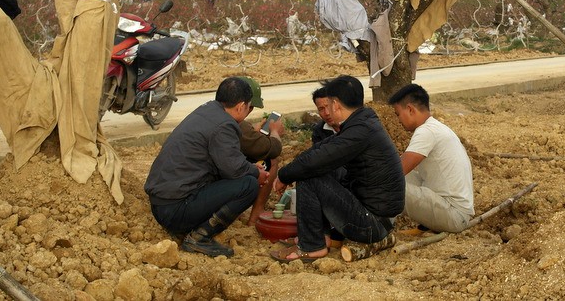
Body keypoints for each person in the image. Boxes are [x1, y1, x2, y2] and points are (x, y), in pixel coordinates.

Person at [270, 75, 405, 262]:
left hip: (373, 224)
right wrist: (289, 171)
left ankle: (312, 246)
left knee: (309, 176)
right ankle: (320, 237)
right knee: (319, 169)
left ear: (336, 104)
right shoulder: (364, 122)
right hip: (377, 219)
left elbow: (314, 162)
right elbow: (320, 150)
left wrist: (284, 175)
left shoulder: (359, 131)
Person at [144, 76, 270, 257]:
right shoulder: (225, 125)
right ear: (241, 106)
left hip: (162, 203)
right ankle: (199, 238)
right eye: (249, 107)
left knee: (241, 175)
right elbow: (233, 169)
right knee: (248, 185)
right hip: (175, 210)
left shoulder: (208, 110)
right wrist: (255, 172)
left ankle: (191, 228)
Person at [388, 83, 474, 233]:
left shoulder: (426, 132)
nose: (398, 120)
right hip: (454, 210)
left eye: (398, 114)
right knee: (396, 180)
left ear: (410, 109)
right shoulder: (435, 127)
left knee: (388, 185)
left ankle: (378, 231)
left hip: (454, 215)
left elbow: (396, 172)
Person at [237, 76, 285, 226]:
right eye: (250, 107)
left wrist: (253, 132)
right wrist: (275, 132)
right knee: (270, 161)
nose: (250, 111)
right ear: (242, 105)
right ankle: (256, 213)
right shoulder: (239, 125)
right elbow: (273, 149)